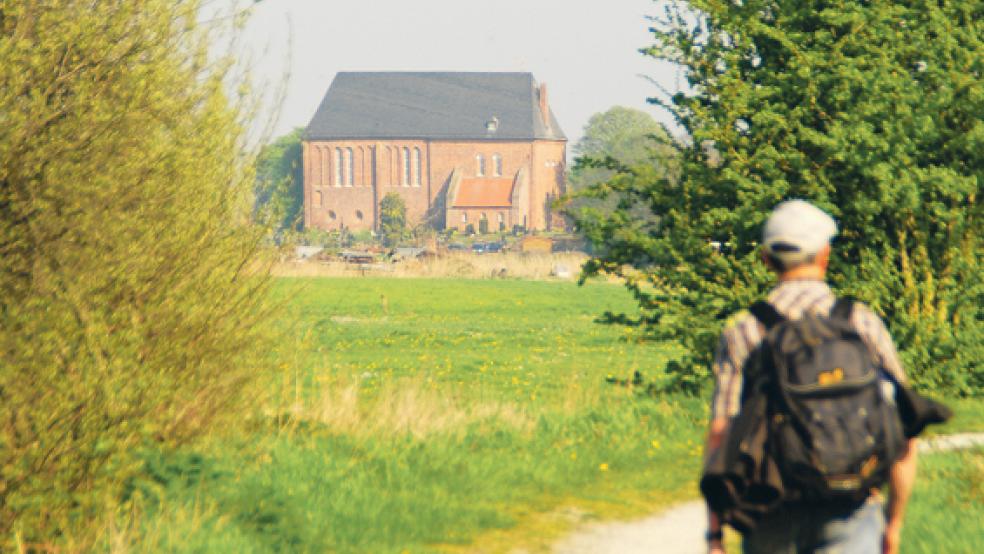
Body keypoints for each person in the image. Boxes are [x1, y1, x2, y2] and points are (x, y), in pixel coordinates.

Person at [704, 200, 918, 554]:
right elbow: (903, 431)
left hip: (769, 510)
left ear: (766, 260)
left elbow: (720, 435)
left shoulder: (745, 330)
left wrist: (715, 535)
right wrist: (893, 522)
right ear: (825, 255)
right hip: (852, 508)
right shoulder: (861, 323)